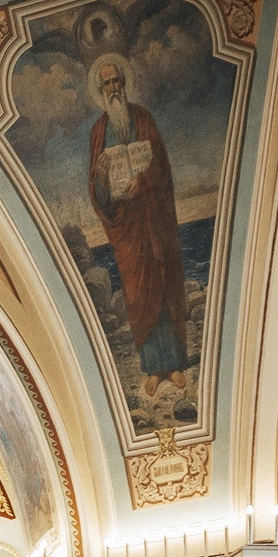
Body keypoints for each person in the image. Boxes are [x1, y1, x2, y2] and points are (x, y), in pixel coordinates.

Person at [86, 53, 192, 411]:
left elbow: (161, 165)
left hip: (152, 218)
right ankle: (151, 368)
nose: (113, 89)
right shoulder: (98, 132)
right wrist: (103, 177)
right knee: (136, 291)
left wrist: (141, 182)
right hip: (127, 228)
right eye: (107, 84)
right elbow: (96, 191)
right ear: (100, 91)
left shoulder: (143, 118)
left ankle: (174, 363)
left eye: (117, 81)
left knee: (162, 282)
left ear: (124, 83)